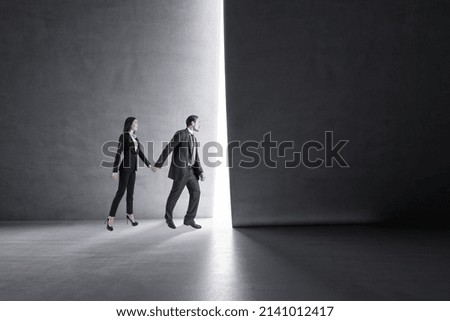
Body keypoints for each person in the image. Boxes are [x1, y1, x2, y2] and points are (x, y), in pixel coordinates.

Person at [152, 115, 205, 229]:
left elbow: (196, 157)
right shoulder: (180, 134)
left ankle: (189, 219)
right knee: (174, 195)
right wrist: (158, 164)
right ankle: (168, 218)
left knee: (196, 192)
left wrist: (200, 171)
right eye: (198, 122)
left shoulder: (194, 138)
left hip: (191, 172)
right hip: (181, 171)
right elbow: (168, 148)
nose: (200, 124)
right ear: (192, 123)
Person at [105, 117, 152, 231]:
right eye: (135, 122)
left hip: (133, 169)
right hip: (125, 168)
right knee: (120, 193)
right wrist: (115, 170)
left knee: (130, 194)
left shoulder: (135, 138)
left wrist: (149, 165)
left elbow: (140, 153)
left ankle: (130, 214)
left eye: (137, 122)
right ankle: (110, 218)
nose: (137, 124)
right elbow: (118, 153)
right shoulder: (124, 136)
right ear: (130, 124)